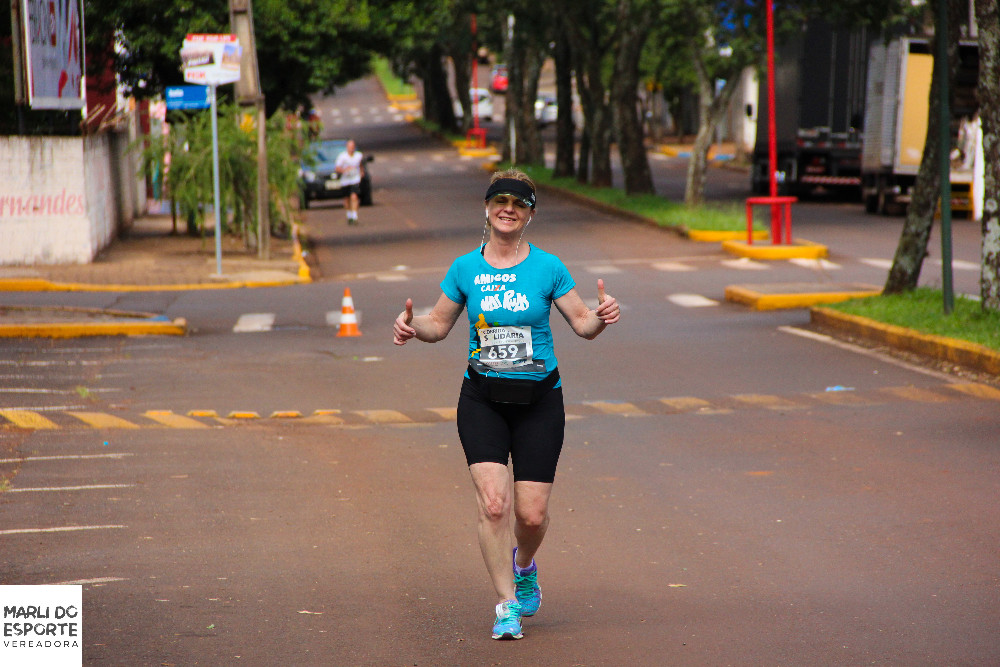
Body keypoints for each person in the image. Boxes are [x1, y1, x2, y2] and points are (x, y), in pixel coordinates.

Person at [392, 168, 620, 640]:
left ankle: (525, 565)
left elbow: (582, 323)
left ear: (530, 214)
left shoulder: (548, 268)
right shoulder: (465, 269)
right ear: (487, 207)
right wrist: (413, 327)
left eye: (519, 203)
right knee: (494, 505)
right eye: (501, 201)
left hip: (540, 400)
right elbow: (439, 324)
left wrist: (602, 316)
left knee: (530, 515)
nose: (509, 209)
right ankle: (506, 604)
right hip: (483, 399)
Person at [334, 139, 364, 225]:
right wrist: (344, 170)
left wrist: (361, 172)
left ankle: (354, 216)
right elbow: (337, 168)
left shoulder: (358, 155)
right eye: (350, 147)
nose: (351, 148)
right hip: (345, 180)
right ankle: (349, 214)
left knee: (354, 196)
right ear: (347, 147)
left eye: (353, 147)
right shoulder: (342, 157)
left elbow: (360, 164)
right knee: (347, 199)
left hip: (355, 179)